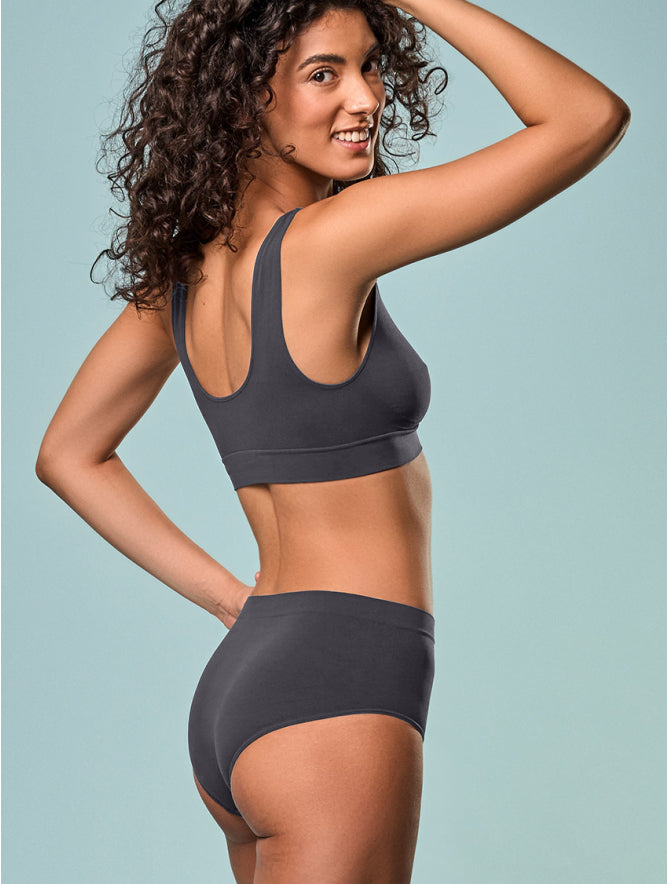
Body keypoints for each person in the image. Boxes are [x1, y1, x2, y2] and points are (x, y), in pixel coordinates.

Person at [35, 0, 630, 880]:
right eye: (324, 74)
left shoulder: (187, 277)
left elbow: (68, 453)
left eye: (372, 64)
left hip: (252, 681)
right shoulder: (328, 242)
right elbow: (587, 117)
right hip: (339, 690)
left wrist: (233, 602)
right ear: (247, 95)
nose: (366, 98)